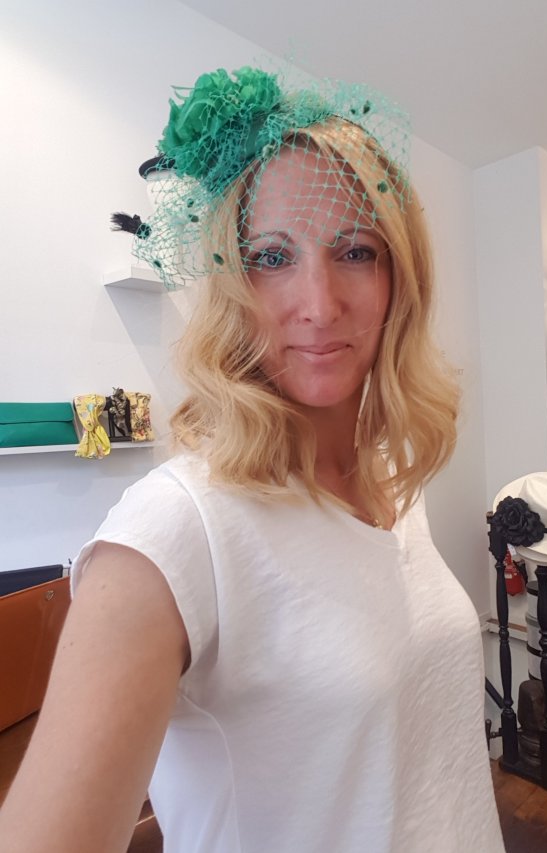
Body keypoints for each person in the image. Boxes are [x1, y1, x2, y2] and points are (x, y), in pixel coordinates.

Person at [0, 67, 505, 852]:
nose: (320, 303)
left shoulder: (392, 477)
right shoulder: (173, 532)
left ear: (400, 279)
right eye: (272, 257)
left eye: (355, 250)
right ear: (231, 284)